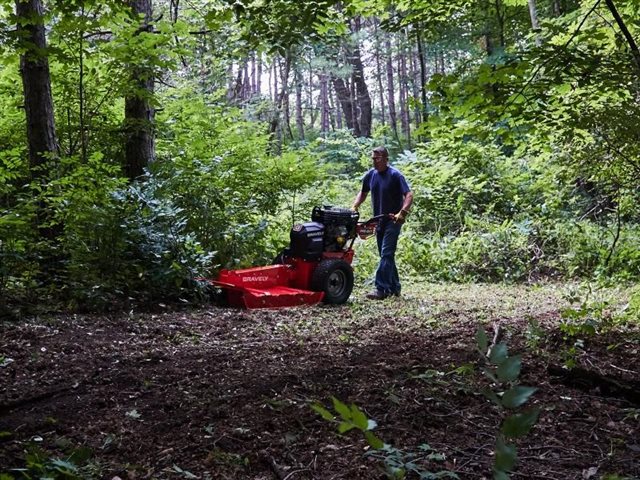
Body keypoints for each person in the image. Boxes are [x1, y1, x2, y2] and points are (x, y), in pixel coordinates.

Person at [351, 146, 413, 300]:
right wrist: (355, 206)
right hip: (378, 221)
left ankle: (381, 288)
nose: (375, 161)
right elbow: (363, 192)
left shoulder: (395, 175)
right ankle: (395, 287)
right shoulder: (371, 175)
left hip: (393, 220)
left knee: (386, 253)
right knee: (386, 255)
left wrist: (402, 212)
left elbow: (409, 195)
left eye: (377, 158)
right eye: (373, 158)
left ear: (386, 159)